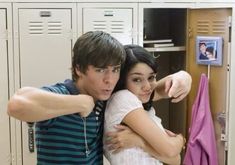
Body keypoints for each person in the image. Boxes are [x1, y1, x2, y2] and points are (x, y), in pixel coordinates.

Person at [7, 31, 191, 164]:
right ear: (79, 68)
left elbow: (152, 90)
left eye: (115, 70)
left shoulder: (104, 99)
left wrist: (184, 76)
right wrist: (79, 102)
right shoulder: (62, 94)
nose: (109, 80)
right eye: (100, 70)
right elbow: (17, 104)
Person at [104, 45, 187, 165]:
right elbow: (170, 150)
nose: (147, 86)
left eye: (151, 77)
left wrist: (140, 142)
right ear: (122, 80)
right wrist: (180, 139)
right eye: (137, 79)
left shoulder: (142, 108)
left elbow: (175, 159)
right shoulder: (122, 98)